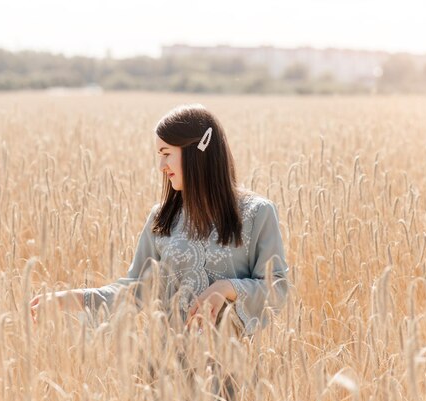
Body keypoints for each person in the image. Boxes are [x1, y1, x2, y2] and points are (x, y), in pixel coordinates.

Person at [29, 103, 289, 339]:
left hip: (231, 373)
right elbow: (135, 290)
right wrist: (71, 299)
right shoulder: (163, 218)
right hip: (166, 372)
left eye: (166, 153)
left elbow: (277, 288)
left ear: (197, 151)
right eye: (159, 155)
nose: (161, 166)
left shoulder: (257, 213)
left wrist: (227, 288)